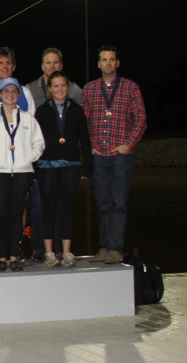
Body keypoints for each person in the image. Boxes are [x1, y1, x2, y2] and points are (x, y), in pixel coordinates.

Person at [82, 46, 146, 264]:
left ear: (117, 63)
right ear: (98, 64)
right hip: (99, 155)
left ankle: (116, 248)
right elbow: (83, 122)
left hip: (120, 156)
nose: (108, 63)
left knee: (118, 203)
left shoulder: (131, 88)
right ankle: (104, 246)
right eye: (104, 60)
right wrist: (89, 146)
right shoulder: (89, 90)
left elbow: (141, 120)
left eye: (111, 60)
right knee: (102, 203)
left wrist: (128, 144)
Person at [0, 78, 44, 271]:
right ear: (0, 94)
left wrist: (29, 157)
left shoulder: (28, 119)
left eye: (14, 91)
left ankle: (14, 254)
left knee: (16, 213)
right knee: (1, 213)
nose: (10, 95)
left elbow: (39, 143)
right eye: (6, 91)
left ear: (19, 95)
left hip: (22, 172)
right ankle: (1, 255)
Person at [26, 48, 83, 260]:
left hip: (67, 161)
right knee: (41, 205)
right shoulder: (29, 90)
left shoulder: (75, 91)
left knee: (64, 206)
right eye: (48, 63)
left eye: (56, 63)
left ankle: (62, 249)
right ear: (42, 67)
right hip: (43, 161)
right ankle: (41, 250)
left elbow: (79, 122)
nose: (52, 66)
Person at [35, 71, 92, 267]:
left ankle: (67, 252)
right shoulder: (42, 111)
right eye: (56, 86)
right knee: (48, 207)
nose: (60, 90)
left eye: (63, 86)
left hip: (71, 165)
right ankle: (49, 252)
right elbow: (37, 140)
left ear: (68, 88)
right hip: (46, 166)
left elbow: (84, 139)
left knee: (67, 208)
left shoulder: (77, 110)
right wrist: (34, 167)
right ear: (50, 89)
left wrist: (87, 168)